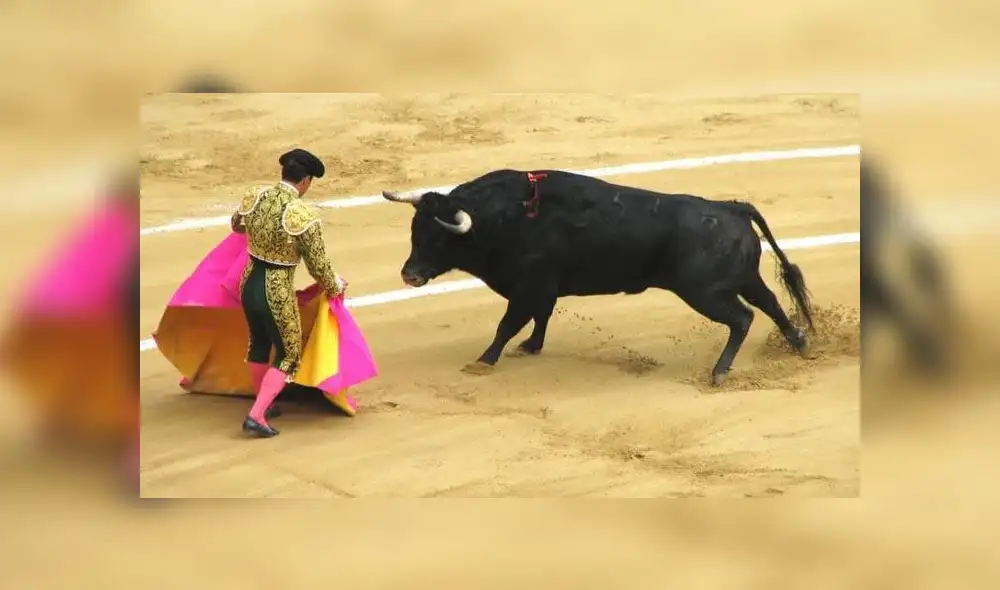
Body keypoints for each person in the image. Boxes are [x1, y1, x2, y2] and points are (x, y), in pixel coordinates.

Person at [230, 148, 347, 437]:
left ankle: (263, 403)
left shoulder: (255, 195)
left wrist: (263, 236)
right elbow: (318, 264)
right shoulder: (302, 214)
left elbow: (236, 225)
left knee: (258, 342)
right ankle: (257, 415)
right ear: (306, 180)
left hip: (248, 282)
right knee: (288, 353)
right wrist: (335, 286)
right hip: (276, 288)